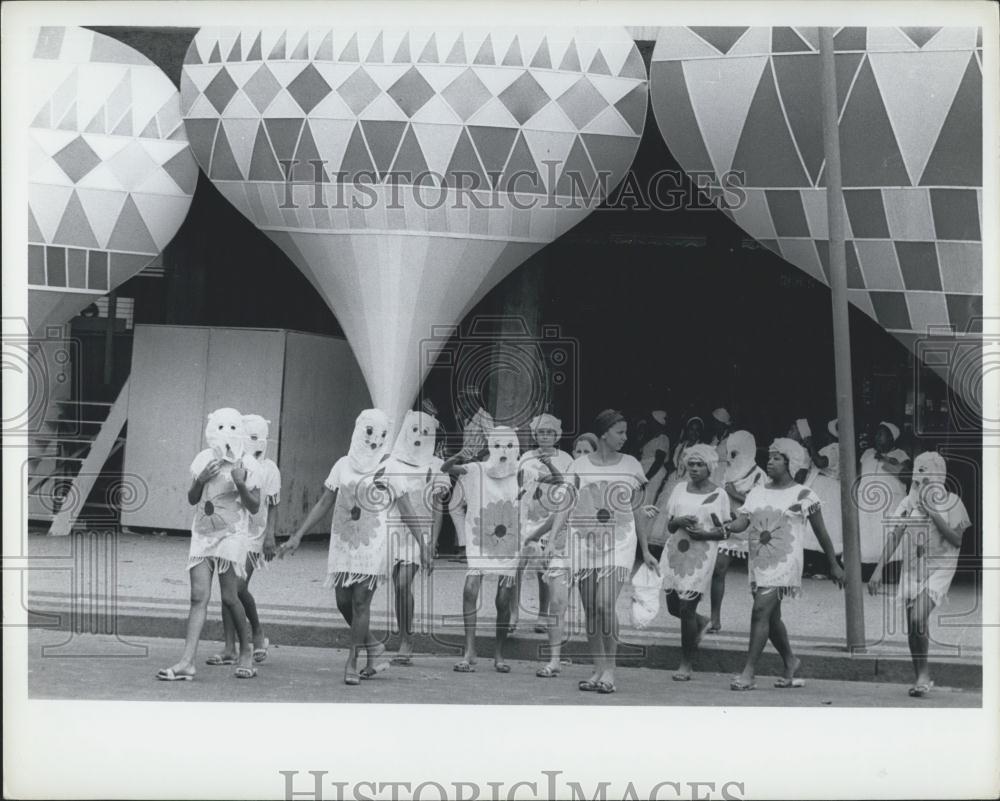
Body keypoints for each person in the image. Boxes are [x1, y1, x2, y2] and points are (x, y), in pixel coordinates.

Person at [278, 409, 431, 686]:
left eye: (382, 434)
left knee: (361, 602)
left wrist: (423, 543)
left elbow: (406, 508)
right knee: (342, 602)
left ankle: (352, 661)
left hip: (374, 544)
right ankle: (373, 645)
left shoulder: (390, 467)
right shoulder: (342, 465)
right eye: (370, 431)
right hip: (344, 541)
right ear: (359, 430)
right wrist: (298, 535)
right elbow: (325, 501)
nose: (375, 439)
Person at [545, 410, 658, 694]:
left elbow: (636, 510)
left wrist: (645, 550)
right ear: (605, 433)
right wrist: (552, 537)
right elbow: (566, 503)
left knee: (606, 604)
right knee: (591, 608)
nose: (625, 437)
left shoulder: (631, 465)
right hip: (584, 540)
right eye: (620, 432)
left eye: (625, 432)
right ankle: (597, 668)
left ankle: (610, 669)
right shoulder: (580, 465)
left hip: (619, 541)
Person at [724, 438, 845, 691]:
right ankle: (791, 661)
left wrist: (833, 563)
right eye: (769, 457)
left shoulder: (804, 494)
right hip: (759, 561)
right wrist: (723, 527)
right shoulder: (757, 491)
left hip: (785, 561)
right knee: (771, 617)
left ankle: (749, 672)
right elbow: (742, 523)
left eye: (777, 458)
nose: (770, 462)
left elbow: (822, 533)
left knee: (760, 611)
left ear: (791, 463)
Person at [157, 408, 261, 681]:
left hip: (232, 533)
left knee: (229, 596)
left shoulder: (248, 463)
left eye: (232, 428)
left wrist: (240, 484)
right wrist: (201, 478)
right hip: (203, 532)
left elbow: (254, 505)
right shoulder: (204, 458)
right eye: (220, 427)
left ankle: (246, 650)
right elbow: (192, 498)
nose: (226, 434)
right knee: (197, 597)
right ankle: (187, 661)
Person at [867, 452, 971, 698]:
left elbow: (956, 540)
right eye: (918, 472)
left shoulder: (953, 502)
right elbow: (896, 535)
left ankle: (923, 674)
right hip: (912, 567)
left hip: (940, 567)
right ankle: (921, 676)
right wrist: (878, 569)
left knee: (917, 618)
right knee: (913, 626)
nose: (920, 478)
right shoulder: (908, 503)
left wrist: (934, 512)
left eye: (926, 472)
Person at [443, 426, 522, 673]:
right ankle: (470, 651)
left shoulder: (522, 471)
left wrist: (549, 466)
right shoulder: (477, 469)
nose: (503, 451)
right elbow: (446, 469)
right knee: (470, 589)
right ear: (490, 446)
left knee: (503, 598)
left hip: (509, 538)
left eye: (509, 446)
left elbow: (553, 485)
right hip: (480, 535)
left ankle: (499, 653)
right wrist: (460, 455)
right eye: (498, 445)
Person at [205, 414, 280, 668]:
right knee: (228, 592)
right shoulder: (234, 462)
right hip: (235, 530)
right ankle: (229, 646)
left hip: (255, 536)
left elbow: (272, 503)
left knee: (237, 588)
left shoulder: (269, 469)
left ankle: (256, 632)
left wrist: (271, 535)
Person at [660, 444, 732, 680]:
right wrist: (679, 520)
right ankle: (700, 622)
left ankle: (686, 664)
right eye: (691, 464)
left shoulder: (719, 495)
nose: (694, 468)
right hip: (675, 552)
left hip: (701, 555)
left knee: (685, 607)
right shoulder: (680, 488)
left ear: (709, 467)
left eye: (699, 464)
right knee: (673, 606)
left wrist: (705, 535)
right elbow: (670, 525)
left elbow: (724, 532)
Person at [386, 410, 448, 666]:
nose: (419, 436)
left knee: (403, 583)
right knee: (396, 586)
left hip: (419, 532)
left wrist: (432, 542)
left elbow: (438, 506)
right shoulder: (392, 461)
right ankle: (402, 630)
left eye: (425, 432)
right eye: (414, 430)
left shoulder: (435, 465)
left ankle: (406, 640)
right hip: (391, 530)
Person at [517, 414, 574, 635]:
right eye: (541, 432)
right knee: (517, 567)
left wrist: (548, 469)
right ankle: (514, 613)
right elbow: (519, 483)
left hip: (550, 519)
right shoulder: (526, 457)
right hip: (527, 516)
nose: (545, 436)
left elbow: (566, 486)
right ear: (535, 435)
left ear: (557, 435)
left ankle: (542, 613)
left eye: (549, 432)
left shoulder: (565, 458)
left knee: (543, 568)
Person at [710, 429, 767, 632]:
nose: (733, 458)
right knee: (718, 569)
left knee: (756, 579)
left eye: (737, 453)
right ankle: (714, 618)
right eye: (731, 453)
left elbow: (761, 505)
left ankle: (762, 621)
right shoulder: (728, 471)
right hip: (730, 527)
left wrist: (735, 494)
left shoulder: (760, 475)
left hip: (753, 530)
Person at [448, 388, 494, 564]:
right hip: (466, 466)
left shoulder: (484, 416)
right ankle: (464, 546)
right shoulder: (467, 417)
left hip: (477, 467)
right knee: (455, 505)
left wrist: (478, 456)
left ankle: (470, 549)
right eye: (462, 400)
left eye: (466, 400)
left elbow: (493, 442)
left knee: (471, 506)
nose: (463, 403)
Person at [857, 421, 911, 572]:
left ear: (891, 438)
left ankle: (890, 571)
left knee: (888, 535)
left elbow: (907, 476)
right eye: (877, 434)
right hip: (866, 501)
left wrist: (886, 459)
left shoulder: (901, 455)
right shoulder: (867, 453)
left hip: (890, 503)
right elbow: (858, 476)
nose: (877, 437)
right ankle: (867, 571)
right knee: (868, 536)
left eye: (881, 434)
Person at [801, 419, 844, 579]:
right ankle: (815, 565)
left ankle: (821, 566)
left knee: (821, 525)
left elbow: (821, 462)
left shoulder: (834, 448)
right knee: (818, 527)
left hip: (827, 488)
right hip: (828, 487)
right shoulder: (836, 448)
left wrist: (811, 445)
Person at [709, 407, 733, 487]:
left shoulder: (730, 440)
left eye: (716, 423)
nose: (713, 425)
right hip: (712, 474)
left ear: (722, 424)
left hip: (723, 475)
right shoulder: (714, 439)